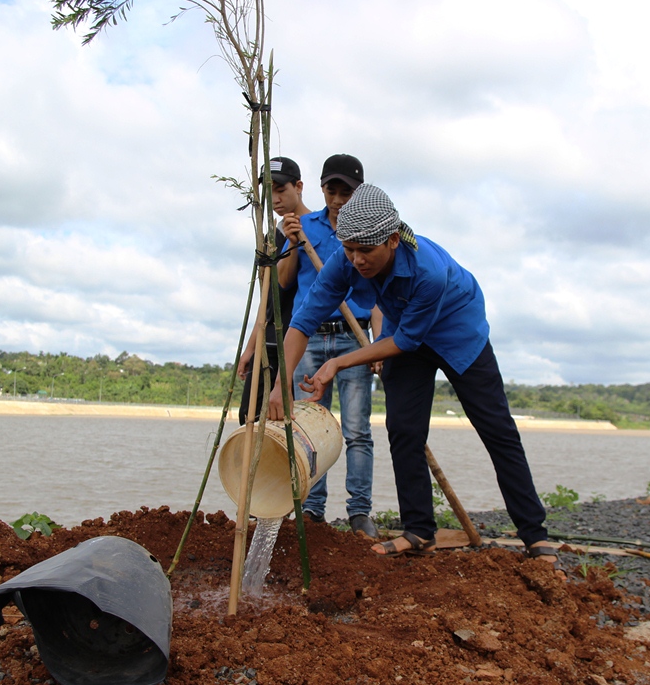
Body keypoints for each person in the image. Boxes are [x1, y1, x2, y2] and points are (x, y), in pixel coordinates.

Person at [269, 183, 563, 576]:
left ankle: (534, 534)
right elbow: (304, 319)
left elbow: (406, 341)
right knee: (404, 429)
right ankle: (419, 530)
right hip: (402, 330)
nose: (356, 260)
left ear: (392, 240)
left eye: (366, 251)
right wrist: (280, 383)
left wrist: (338, 363)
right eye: (350, 249)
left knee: (497, 430)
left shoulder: (429, 271)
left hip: (457, 331)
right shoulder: (347, 258)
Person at [276, 154, 381, 539]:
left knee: (357, 430)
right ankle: (312, 510)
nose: (338, 199)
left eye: (346, 192)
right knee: (308, 427)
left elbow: (379, 299)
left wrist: (377, 343)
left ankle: (359, 512)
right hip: (310, 335)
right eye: (331, 190)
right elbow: (285, 284)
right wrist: (290, 244)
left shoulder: (371, 230)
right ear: (321, 190)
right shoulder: (302, 226)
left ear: (359, 193)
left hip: (353, 337)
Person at [236, 157, 306, 424]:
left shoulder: (315, 230)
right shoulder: (270, 238)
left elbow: (286, 283)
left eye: (281, 190)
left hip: (297, 343)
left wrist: (293, 242)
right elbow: (266, 299)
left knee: (290, 424)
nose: (275, 199)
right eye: (270, 192)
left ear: (298, 187)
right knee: (250, 418)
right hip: (267, 341)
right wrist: (250, 348)